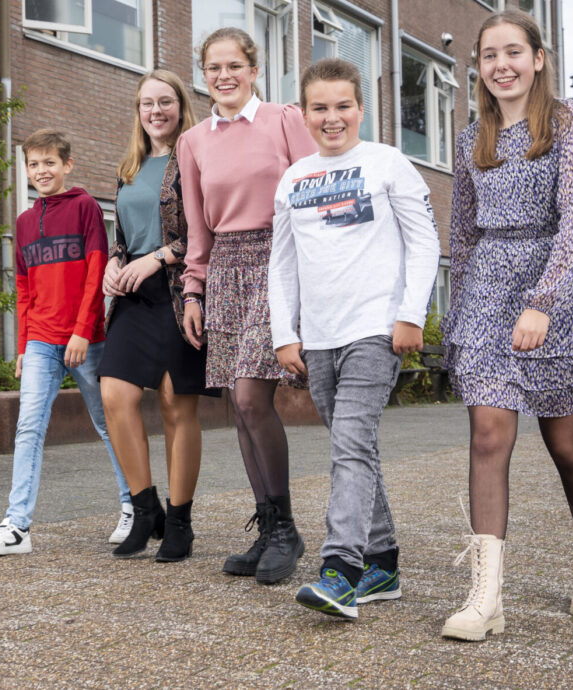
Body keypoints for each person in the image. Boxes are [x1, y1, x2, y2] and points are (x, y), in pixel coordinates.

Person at [440, 10, 573, 640]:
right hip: (487, 288)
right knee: (487, 434)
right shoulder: (467, 137)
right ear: (476, 66)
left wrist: (542, 301)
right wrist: (461, 312)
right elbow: (466, 230)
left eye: (513, 52)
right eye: (489, 55)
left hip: (557, 284)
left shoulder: (566, 121)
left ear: (538, 58)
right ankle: (486, 597)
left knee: (565, 445)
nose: (501, 65)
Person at [269, 58, 441, 620]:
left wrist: (410, 314)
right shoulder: (293, 178)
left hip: (375, 329)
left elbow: (424, 246)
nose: (332, 117)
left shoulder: (389, 163)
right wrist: (283, 334)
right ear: (303, 114)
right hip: (317, 338)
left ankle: (339, 572)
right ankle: (384, 564)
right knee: (355, 448)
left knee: (349, 443)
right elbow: (281, 265)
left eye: (343, 105)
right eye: (320, 107)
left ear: (361, 109)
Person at [178, 27, 319, 585]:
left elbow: (316, 193)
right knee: (237, 407)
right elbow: (197, 230)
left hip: (280, 260)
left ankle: (286, 530)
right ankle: (269, 526)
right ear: (204, 75)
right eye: (213, 68)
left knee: (250, 395)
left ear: (254, 70)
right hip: (226, 271)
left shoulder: (285, 119)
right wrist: (194, 290)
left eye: (234, 65)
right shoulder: (194, 141)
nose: (224, 76)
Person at [0, 129, 132, 556]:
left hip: (87, 338)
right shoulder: (24, 223)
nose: (42, 171)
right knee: (28, 428)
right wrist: (24, 346)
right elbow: (23, 291)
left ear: (67, 165)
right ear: (26, 170)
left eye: (49, 163)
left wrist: (82, 330)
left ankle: (134, 506)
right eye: (34, 164)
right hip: (41, 340)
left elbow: (96, 272)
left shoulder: (85, 209)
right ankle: (17, 527)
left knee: (108, 424)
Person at [99, 69, 217, 562]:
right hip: (133, 297)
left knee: (175, 405)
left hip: (178, 293)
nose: (155, 111)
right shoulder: (130, 166)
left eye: (165, 101)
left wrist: (157, 257)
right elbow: (126, 232)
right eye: (147, 103)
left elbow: (207, 228)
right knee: (115, 394)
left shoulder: (195, 158)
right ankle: (146, 510)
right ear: (138, 110)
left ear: (180, 106)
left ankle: (181, 521)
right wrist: (114, 258)